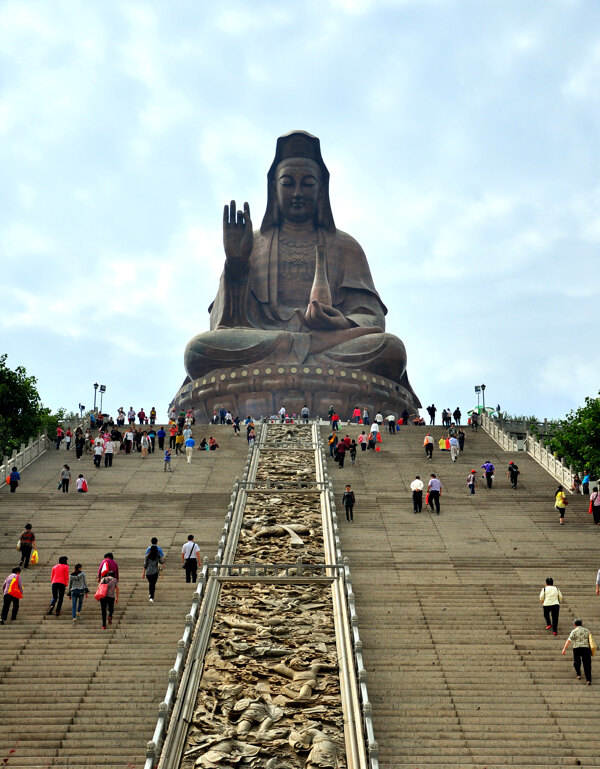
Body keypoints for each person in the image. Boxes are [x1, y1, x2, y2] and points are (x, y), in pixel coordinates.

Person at [562, 619, 593, 685]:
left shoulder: (574, 631)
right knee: (587, 664)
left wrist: (564, 648)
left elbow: (569, 640)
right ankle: (588, 680)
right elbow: (591, 640)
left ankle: (578, 674)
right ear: (581, 624)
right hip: (586, 648)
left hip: (577, 648)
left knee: (577, 661)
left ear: (575, 625)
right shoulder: (587, 630)